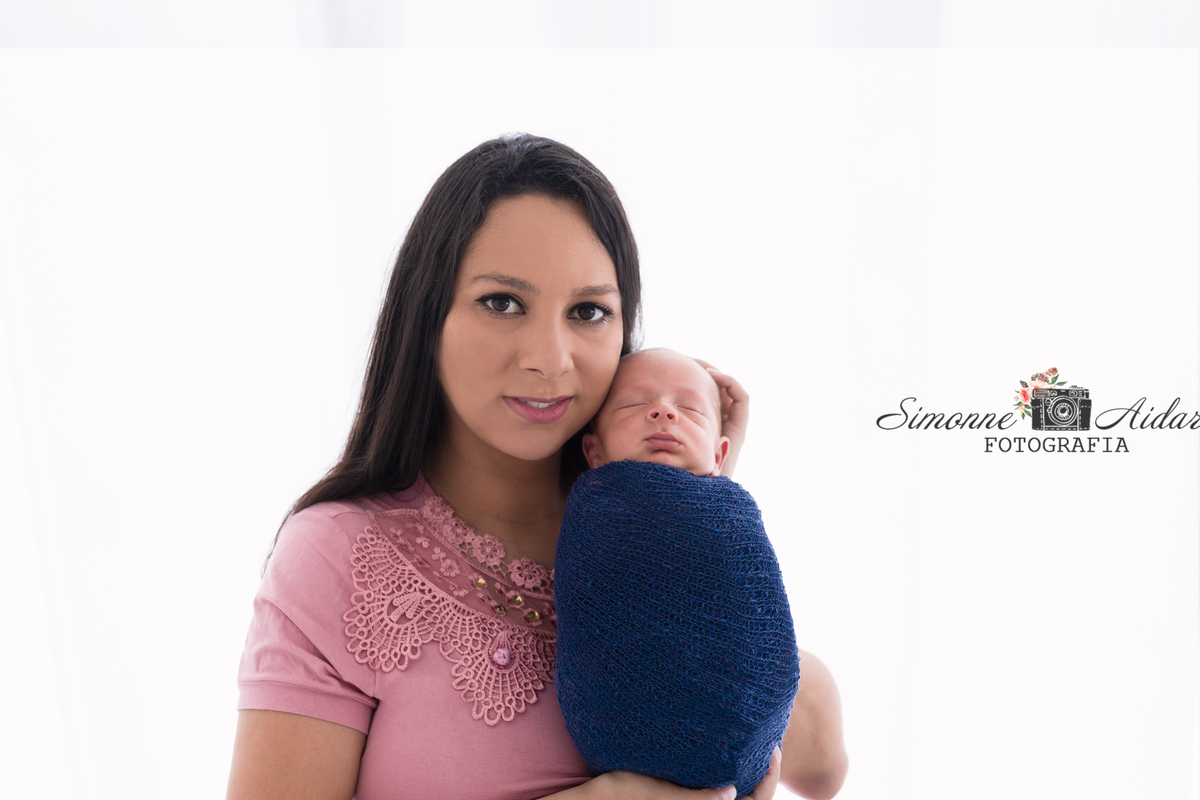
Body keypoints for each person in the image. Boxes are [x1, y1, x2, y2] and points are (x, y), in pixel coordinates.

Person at [225, 133, 847, 800]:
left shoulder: (655, 535)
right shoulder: (336, 557)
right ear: (427, 314)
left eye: (588, 312)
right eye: (502, 302)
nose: (550, 359)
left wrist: (701, 514)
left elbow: (822, 768)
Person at [556, 347, 805, 797]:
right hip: (628, 732)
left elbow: (747, 597)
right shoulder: (599, 508)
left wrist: (713, 476)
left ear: (720, 454)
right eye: (634, 404)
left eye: (689, 409)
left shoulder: (729, 507)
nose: (664, 412)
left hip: (748, 734)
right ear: (593, 451)